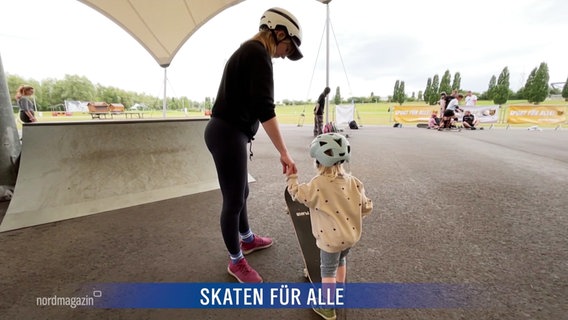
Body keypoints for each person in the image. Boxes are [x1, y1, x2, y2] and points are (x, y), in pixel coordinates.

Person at [204, 7, 303, 283]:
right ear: (278, 33)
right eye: (287, 47)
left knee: (241, 191)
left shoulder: (250, 52)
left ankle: (246, 239)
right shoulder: (257, 54)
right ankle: (236, 261)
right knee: (233, 199)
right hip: (227, 133)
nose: (285, 54)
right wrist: (284, 152)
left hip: (229, 132)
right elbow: (265, 108)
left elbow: (257, 105)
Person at [286, 133, 373, 320]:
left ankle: (327, 307)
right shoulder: (354, 182)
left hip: (331, 241)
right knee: (341, 261)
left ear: (318, 162)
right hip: (350, 238)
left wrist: (292, 177)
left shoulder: (318, 184)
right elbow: (366, 207)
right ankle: (339, 292)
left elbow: (297, 194)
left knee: (327, 270)